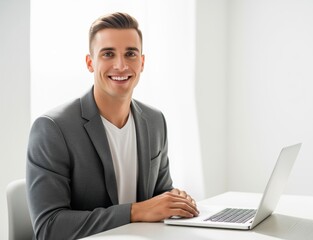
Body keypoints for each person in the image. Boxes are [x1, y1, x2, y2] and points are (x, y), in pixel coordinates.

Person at [26, 12, 199, 240]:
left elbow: (160, 194)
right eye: (108, 54)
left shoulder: (155, 121)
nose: (121, 65)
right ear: (90, 63)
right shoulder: (52, 129)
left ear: (142, 62)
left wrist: (176, 202)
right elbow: (50, 228)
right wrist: (135, 211)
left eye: (130, 54)